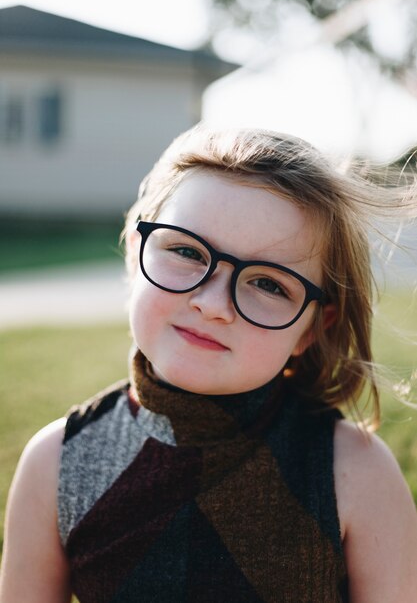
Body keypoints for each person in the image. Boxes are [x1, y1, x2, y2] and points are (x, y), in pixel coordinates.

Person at [1, 126, 417, 603]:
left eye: (269, 284)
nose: (213, 304)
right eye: (185, 251)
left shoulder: (355, 473)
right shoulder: (59, 462)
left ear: (313, 329)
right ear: (136, 257)